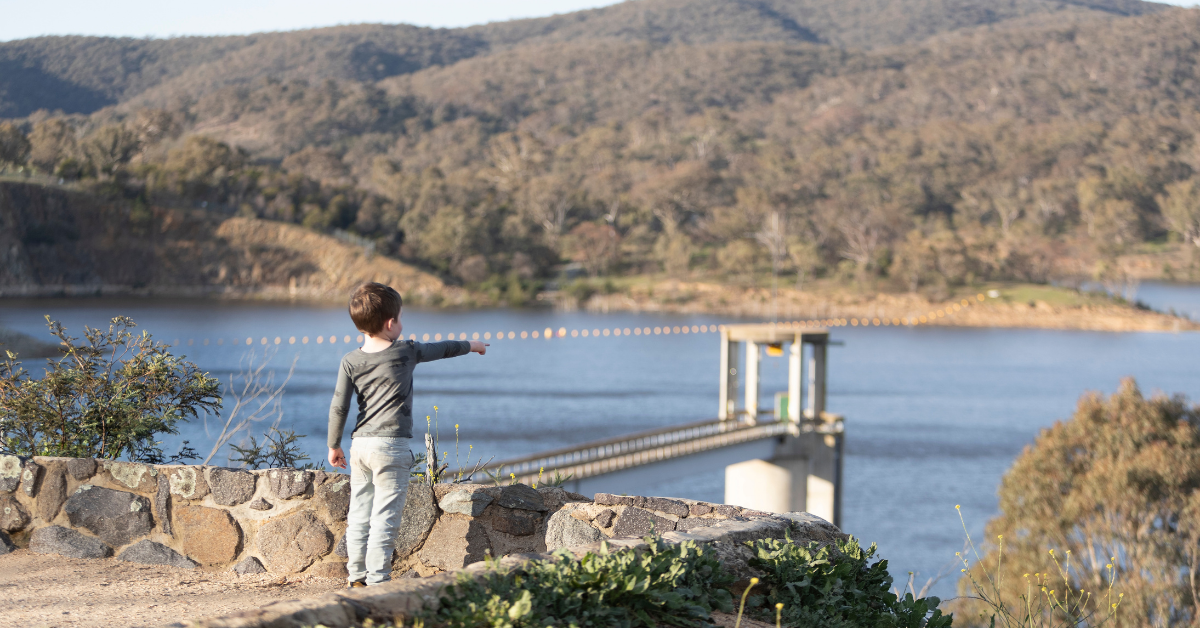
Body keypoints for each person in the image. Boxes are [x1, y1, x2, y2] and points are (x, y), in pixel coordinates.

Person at [327, 282, 487, 587]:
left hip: (360, 445)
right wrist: (473, 345)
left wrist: (333, 444)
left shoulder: (350, 361)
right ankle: (378, 581)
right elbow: (443, 349)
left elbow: (339, 406)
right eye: (400, 318)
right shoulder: (406, 351)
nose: (402, 323)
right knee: (385, 517)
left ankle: (356, 577)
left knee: (360, 513)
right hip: (391, 446)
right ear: (391, 324)